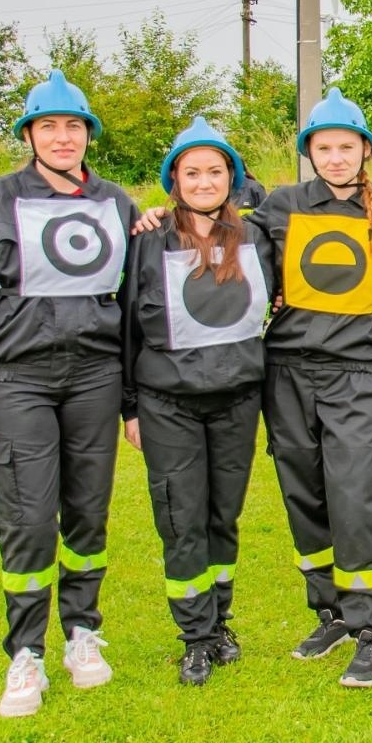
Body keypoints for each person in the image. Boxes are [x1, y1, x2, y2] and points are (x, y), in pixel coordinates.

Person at [0, 69, 140, 717]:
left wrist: (133, 399)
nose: (63, 137)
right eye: (50, 126)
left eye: (74, 126)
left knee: (88, 512)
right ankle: (24, 651)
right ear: (29, 134)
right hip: (16, 378)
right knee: (27, 519)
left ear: (88, 135)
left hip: (95, 376)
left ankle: (83, 632)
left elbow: (138, 300)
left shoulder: (117, 203)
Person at [249, 87, 372, 688]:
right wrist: (159, 217)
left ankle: (371, 625)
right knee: (305, 494)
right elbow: (226, 250)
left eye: (347, 146)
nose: (337, 157)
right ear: (309, 152)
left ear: (365, 151)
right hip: (287, 372)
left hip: (358, 374)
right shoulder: (280, 205)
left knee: (358, 494)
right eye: (325, 147)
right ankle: (331, 612)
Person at [122, 117, 273, 686]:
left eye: (215, 171)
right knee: (183, 520)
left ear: (231, 178)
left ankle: (220, 622)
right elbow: (127, 327)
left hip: (237, 400)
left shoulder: (256, 238)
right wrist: (130, 406)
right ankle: (195, 636)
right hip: (169, 404)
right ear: (175, 180)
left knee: (222, 517)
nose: (204, 181)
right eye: (193, 172)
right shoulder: (150, 239)